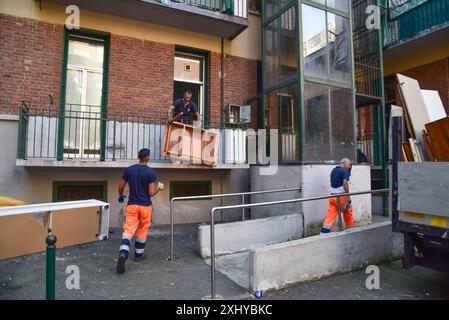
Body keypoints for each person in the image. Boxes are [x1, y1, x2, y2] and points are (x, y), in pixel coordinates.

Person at [116, 148, 163, 274]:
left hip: (132, 205)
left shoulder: (129, 170)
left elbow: (120, 186)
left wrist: (121, 196)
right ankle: (138, 256)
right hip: (145, 206)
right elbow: (151, 193)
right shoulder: (150, 173)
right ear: (148, 158)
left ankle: (123, 253)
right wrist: (159, 188)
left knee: (128, 231)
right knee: (142, 230)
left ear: (138, 157)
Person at [321, 158, 354, 234]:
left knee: (331, 214)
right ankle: (350, 230)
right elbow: (345, 182)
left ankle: (324, 231)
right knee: (348, 211)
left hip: (332, 197)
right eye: (349, 164)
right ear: (345, 163)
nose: (350, 166)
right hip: (341, 197)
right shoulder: (344, 171)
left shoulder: (334, 170)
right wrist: (348, 195)